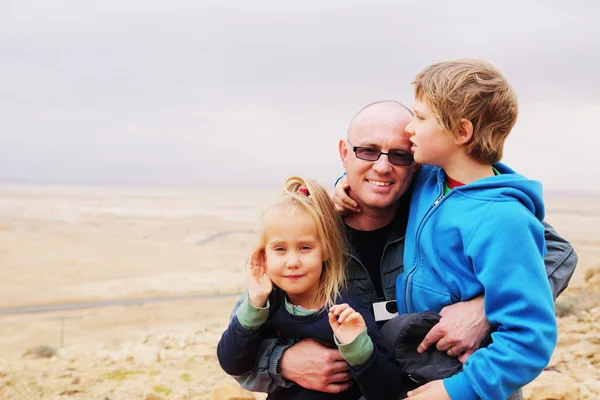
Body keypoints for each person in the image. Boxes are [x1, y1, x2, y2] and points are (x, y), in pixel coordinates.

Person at [226, 100, 577, 395]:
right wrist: (284, 363)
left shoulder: (445, 208)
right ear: (343, 153)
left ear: (418, 160)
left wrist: (485, 309)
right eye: (367, 151)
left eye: (399, 155)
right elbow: (239, 347)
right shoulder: (307, 236)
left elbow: (556, 251)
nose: (382, 166)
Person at [394, 58, 557, 399]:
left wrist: (459, 390)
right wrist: (341, 188)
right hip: (422, 365)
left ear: (461, 132)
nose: (408, 127)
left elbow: (529, 335)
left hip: (469, 380)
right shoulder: (431, 180)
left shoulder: (503, 219)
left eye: (420, 117)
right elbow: (379, 179)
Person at [217, 176, 406, 399]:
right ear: (263, 255)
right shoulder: (264, 305)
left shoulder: (344, 311)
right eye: (279, 249)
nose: (292, 261)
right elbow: (232, 363)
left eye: (305, 247)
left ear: (325, 251)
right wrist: (255, 303)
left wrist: (358, 349)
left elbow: (389, 390)